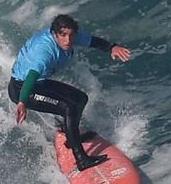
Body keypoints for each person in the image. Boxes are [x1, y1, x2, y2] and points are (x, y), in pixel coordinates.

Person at [9, 13, 133, 170]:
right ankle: (81, 160)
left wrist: (111, 48)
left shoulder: (69, 36)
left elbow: (92, 41)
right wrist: (22, 102)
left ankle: (71, 136)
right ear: (54, 34)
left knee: (80, 98)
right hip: (22, 88)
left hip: (39, 83)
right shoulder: (44, 51)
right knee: (69, 107)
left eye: (71, 35)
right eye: (63, 36)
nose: (68, 40)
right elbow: (32, 76)